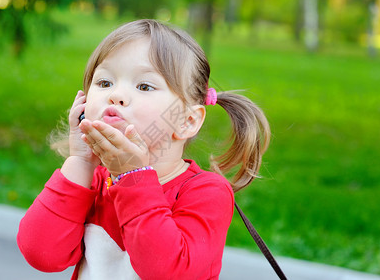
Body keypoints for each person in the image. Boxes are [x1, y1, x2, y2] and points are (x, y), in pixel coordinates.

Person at [17, 19, 270, 280]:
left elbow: (168, 271)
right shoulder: (92, 182)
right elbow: (41, 254)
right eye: (104, 83)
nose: (116, 95)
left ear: (187, 121)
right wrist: (80, 161)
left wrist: (133, 178)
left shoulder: (206, 192)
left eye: (144, 86)